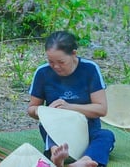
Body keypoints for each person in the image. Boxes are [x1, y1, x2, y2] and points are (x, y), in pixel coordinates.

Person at [27, 31, 115, 167]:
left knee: (106, 136)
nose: (56, 66)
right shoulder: (42, 73)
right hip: (56, 128)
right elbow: (31, 109)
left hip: (88, 128)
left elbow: (102, 109)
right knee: (46, 128)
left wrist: (70, 107)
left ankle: (84, 161)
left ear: (74, 54)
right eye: (51, 62)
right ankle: (56, 153)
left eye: (61, 62)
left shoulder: (90, 69)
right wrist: (44, 111)